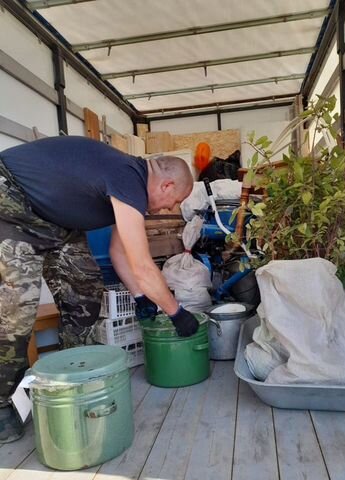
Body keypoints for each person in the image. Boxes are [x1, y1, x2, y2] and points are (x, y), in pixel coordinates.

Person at [0, 135, 199, 443]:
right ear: (166, 186)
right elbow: (144, 265)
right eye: (172, 203)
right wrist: (177, 313)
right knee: (18, 308)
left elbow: (121, 254)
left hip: (55, 220)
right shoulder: (128, 177)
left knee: (85, 291)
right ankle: (1, 404)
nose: (166, 210)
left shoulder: (129, 186)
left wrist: (141, 297)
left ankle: (69, 378)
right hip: (10, 200)